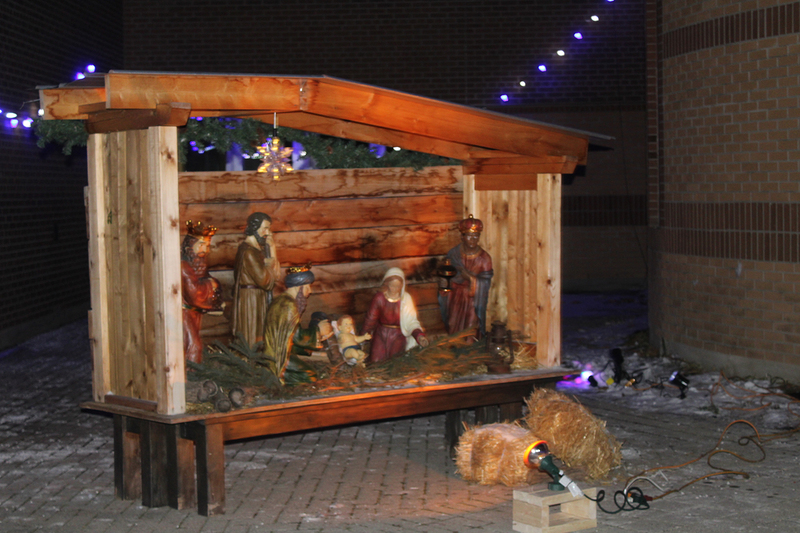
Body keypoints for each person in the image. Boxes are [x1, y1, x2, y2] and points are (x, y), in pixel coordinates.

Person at [232, 212, 281, 348]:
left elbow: (275, 275)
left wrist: (272, 248)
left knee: (259, 332)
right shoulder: (248, 251)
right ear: (254, 228)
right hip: (250, 299)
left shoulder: (257, 250)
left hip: (257, 296)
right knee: (251, 331)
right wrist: (268, 263)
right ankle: (250, 363)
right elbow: (265, 280)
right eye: (264, 228)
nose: (267, 233)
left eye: (269, 228)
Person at [439, 215, 493, 336]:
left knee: (471, 327)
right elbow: (447, 275)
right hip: (455, 298)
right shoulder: (454, 253)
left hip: (473, 300)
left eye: (476, 236)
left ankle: (470, 351)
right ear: (462, 237)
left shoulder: (484, 258)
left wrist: (470, 277)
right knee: (453, 325)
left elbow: (485, 283)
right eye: (469, 236)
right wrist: (444, 284)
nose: (473, 239)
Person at [361, 267, 429, 363]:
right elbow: (370, 319)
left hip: (398, 336)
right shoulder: (379, 298)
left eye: (398, 286)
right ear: (387, 283)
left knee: (394, 362)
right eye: (392, 286)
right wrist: (362, 337)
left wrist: (419, 336)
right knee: (375, 361)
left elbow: (411, 322)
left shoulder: (406, 299)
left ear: (402, 285)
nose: (395, 289)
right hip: (381, 334)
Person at [263, 265, 314, 383]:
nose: (309, 291)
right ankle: (283, 385)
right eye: (308, 287)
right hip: (277, 356)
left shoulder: (283, 300)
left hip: (283, 351)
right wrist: (317, 331)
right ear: (299, 287)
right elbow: (296, 337)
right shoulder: (288, 305)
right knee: (310, 376)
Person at [180, 221, 222, 365]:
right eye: (201, 245)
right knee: (193, 346)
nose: (205, 250)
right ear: (190, 246)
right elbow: (195, 294)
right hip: (184, 314)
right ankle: (190, 378)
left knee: (193, 345)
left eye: (207, 246)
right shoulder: (184, 266)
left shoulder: (197, 264)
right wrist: (211, 284)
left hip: (194, 314)